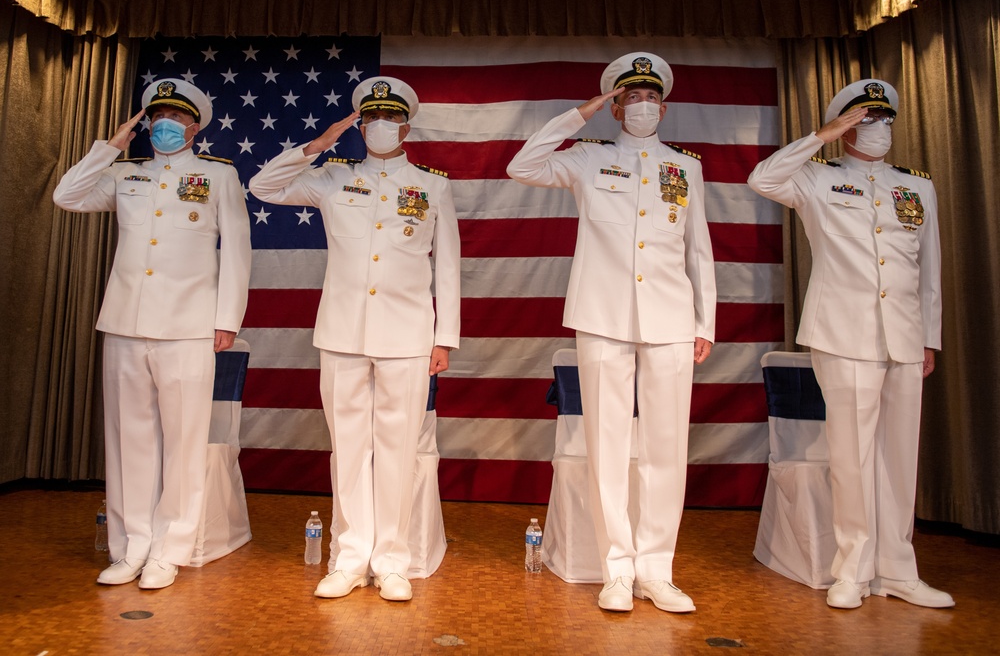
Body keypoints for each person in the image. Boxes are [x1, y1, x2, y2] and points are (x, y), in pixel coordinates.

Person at [507, 53, 716, 613]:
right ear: (616, 107)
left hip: (671, 318)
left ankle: (658, 569)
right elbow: (522, 166)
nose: (643, 106)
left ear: (664, 108)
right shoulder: (586, 159)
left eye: (651, 98)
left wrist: (705, 321)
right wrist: (580, 114)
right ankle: (617, 569)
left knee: (667, 449)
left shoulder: (685, 168)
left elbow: (699, 248)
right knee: (607, 446)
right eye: (631, 98)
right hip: (602, 317)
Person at [249, 76, 460, 602]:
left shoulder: (432, 185)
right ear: (360, 126)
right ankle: (349, 556)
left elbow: (450, 267)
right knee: (348, 449)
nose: (381, 127)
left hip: (409, 335)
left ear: (407, 125)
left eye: (390, 119)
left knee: (397, 450)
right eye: (371, 119)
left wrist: (445, 337)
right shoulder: (331, 177)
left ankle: (391, 559)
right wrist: (316, 146)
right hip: (343, 331)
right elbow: (263, 187)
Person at [747, 79, 952, 610]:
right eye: (865, 121)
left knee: (899, 457)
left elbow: (928, 267)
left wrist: (928, 336)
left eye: (885, 121)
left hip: (903, 335)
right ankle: (852, 569)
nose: (879, 131)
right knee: (852, 456)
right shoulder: (816, 178)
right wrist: (821, 135)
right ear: (846, 129)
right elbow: (762, 178)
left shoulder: (916, 187)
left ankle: (899, 570)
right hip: (844, 332)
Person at [53, 78, 251, 589]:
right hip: (124, 322)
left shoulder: (217, 176)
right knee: (128, 440)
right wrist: (108, 148)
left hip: (188, 328)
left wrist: (227, 320)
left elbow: (237, 252)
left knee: (184, 442)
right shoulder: (126, 174)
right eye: (156, 116)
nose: (164, 125)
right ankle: (130, 547)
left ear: (194, 127)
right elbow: (66, 196)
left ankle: (170, 548)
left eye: (175, 117)